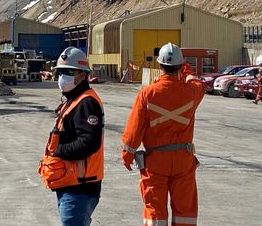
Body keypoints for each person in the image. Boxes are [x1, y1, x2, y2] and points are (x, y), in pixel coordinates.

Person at [121, 42, 204, 226]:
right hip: (183, 159)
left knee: (155, 210)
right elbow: (196, 82)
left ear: (159, 66)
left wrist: (127, 155)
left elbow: (134, 129)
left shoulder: (147, 94)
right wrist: (187, 69)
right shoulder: (192, 92)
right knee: (185, 211)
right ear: (180, 66)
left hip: (155, 161)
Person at [39, 47, 104, 226]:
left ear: (83, 75)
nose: (62, 78)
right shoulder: (74, 100)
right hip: (69, 183)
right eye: (60, 73)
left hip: (80, 187)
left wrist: (58, 151)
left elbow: (89, 143)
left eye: (68, 72)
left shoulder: (87, 103)